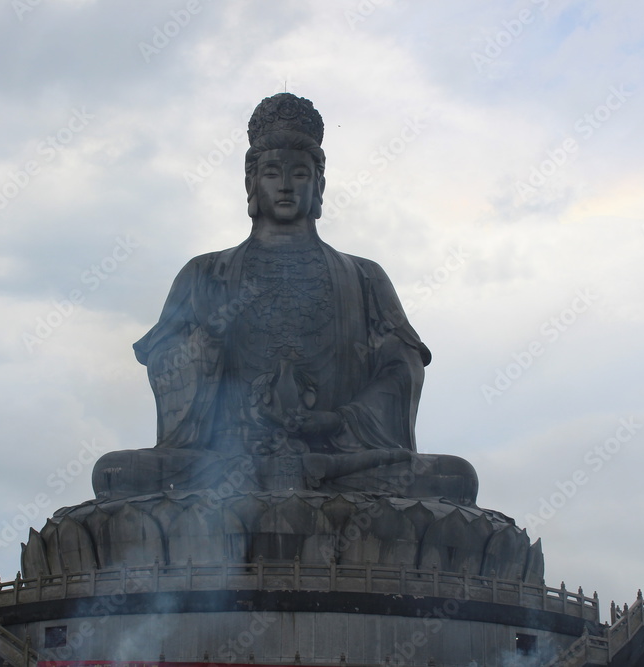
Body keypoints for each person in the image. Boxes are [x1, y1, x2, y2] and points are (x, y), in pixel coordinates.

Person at [92, 94, 476, 504]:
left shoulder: (365, 276)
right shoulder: (205, 273)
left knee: (454, 477)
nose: (287, 185)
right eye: (273, 173)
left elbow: (403, 367)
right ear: (251, 184)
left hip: (342, 459)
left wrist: (336, 422)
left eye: (300, 174)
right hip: (225, 456)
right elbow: (166, 362)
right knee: (116, 472)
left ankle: (311, 473)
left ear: (319, 186)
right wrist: (202, 353)